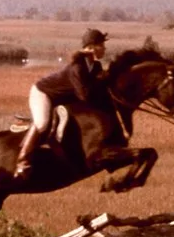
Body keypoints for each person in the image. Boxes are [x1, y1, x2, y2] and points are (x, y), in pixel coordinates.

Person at [14, 28, 109, 178]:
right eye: (101, 45)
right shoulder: (78, 67)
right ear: (91, 47)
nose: (104, 48)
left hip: (60, 99)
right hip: (43, 93)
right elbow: (84, 96)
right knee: (42, 124)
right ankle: (22, 160)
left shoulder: (95, 66)